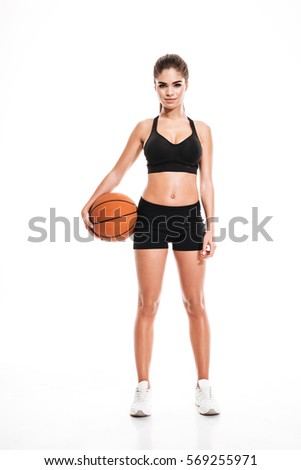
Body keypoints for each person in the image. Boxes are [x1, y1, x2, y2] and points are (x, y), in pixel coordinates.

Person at [81, 54, 221, 418]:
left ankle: (204, 386)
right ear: (154, 86)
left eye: (176, 84)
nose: (169, 91)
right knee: (148, 304)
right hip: (151, 217)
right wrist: (91, 202)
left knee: (195, 303)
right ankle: (142, 387)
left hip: (190, 218)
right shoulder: (145, 127)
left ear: (186, 85)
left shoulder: (202, 129)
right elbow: (118, 170)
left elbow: (206, 181)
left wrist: (211, 224)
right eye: (163, 84)